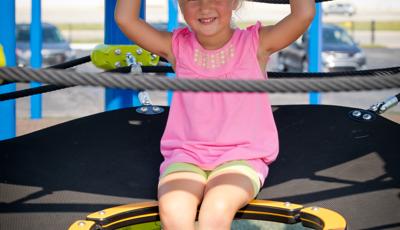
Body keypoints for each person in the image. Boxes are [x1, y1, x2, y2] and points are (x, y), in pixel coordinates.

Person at [115, 0, 315, 229]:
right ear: (180, 5)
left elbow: (303, 14)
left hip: (241, 157)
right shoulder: (177, 47)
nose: (204, 6)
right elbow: (126, 19)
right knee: (173, 211)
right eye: (192, 0)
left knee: (216, 209)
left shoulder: (255, 44)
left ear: (234, 2)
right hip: (187, 156)